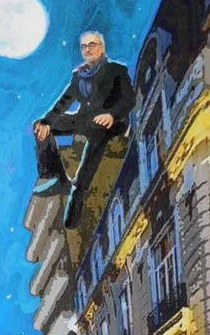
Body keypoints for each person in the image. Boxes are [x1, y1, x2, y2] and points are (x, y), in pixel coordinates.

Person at [32, 30, 135, 229]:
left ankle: (76, 202)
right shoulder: (78, 76)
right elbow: (63, 102)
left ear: (102, 48)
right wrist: (46, 122)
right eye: (84, 47)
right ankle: (57, 178)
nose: (88, 49)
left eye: (92, 45)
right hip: (86, 119)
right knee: (40, 125)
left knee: (91, 151)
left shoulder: (116, 70)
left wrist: (112, 115)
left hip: (110, 123)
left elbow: (129, 99)